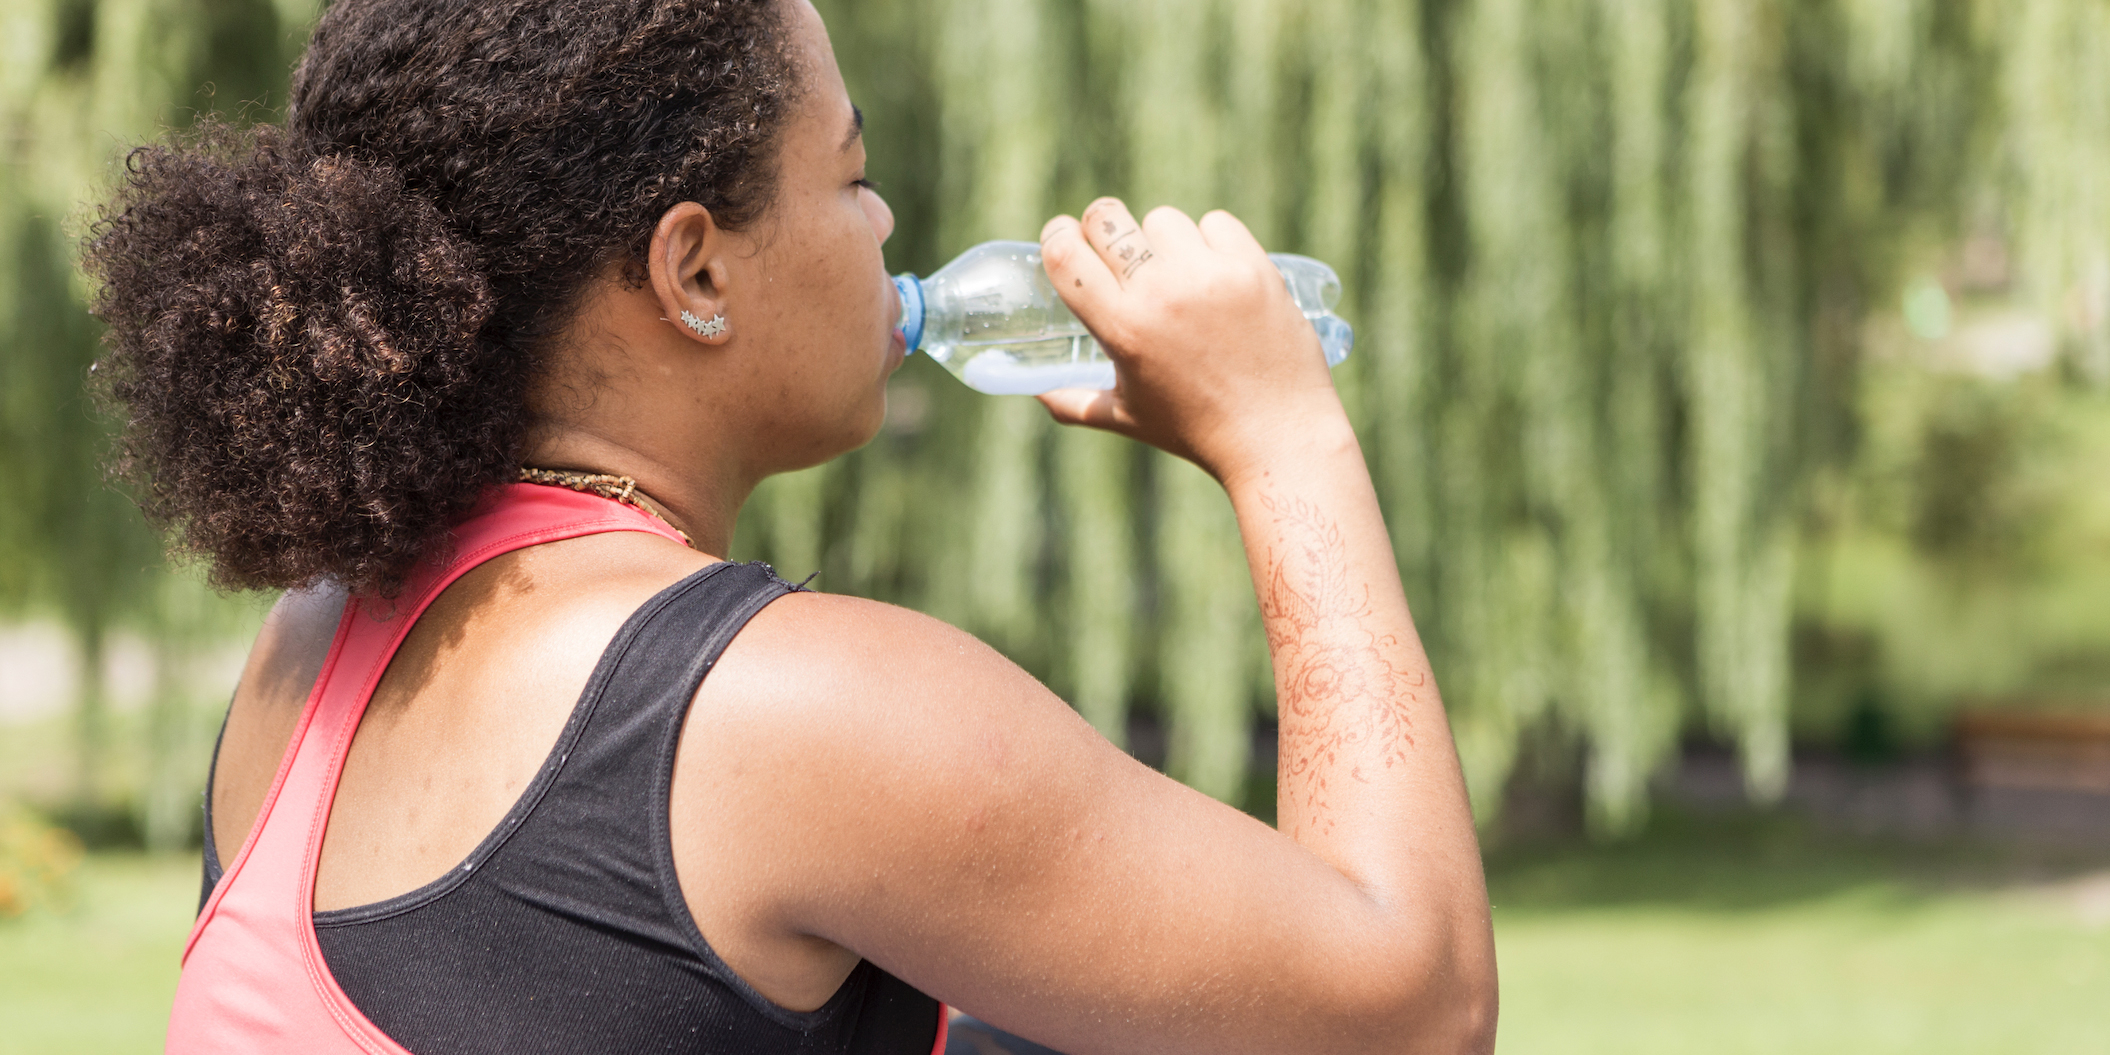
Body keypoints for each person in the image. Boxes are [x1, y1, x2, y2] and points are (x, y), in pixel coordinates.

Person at [83, 0, 1498, 1052]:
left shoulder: (314, 642)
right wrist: (1282, 437)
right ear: (693, 266)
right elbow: (1414, 1004)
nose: (885, 224)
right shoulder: (782, 711)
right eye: (849, 174)